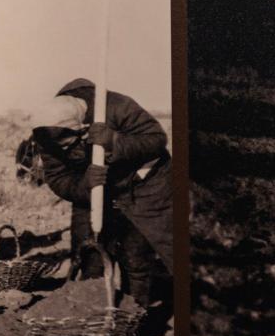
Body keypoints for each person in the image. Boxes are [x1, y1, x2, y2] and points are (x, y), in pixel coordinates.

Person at [29, 78, 173, 313]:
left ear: (81, 128)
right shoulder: (48, 133)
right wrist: (85, 185)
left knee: (136, 256)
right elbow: (57, 177)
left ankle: (134, 313)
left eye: (67, 143)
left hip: (144, 185)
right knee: (89, 254)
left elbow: (156, 140)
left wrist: (115, 141)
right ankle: (92, 315)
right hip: (93, 191)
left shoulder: (117, 107)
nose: (62, 150)